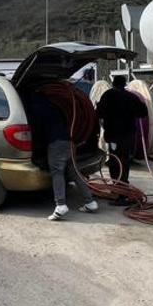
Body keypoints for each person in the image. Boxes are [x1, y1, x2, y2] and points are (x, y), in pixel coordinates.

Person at [26, 90, 98, 221]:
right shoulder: (54, 107)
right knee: (74, 173)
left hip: (56, 144)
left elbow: (37, 131)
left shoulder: (35, 109)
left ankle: (60, 205)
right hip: (69, 142)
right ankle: (90, 202)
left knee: (57, 172)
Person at [96, 75, 148, 205]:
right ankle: (122, 189)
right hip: (129, 136)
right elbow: (143, 112)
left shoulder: (108, 95)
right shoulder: (131, 97)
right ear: (125, 84)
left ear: (113, 84)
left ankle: (120, 194)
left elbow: (98, 113)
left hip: (114, 136)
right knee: (125, 162)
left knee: (115, 163)